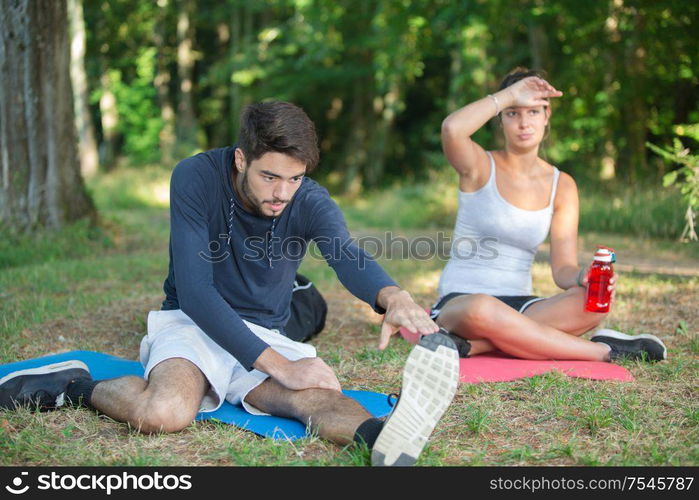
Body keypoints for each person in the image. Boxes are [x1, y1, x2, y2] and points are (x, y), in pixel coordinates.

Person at [0, 101, 459, 467]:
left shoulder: (310, 200)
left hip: (263, 332)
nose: (282, 192)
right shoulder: (196, 178)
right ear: (242, 159)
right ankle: (77, 386)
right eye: (270, 176)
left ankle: (383, 438)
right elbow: (197, 293)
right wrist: (281, 366)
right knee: (163, 414)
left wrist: (392, 296)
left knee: (316, 400)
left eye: (295, 179)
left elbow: (346, 254)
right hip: (192, 321)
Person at [433, 68, 666, 363]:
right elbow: (452, 129)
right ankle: (605, 351)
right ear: (501, 118)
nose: (524, 122)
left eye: (533, 111)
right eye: (513, 113)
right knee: (483, 308)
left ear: (547, 116)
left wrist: (584, 276)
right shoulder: (479, 166)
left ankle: (475, 346)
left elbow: (562, 270)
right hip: (462, 301)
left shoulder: (562, 185)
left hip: (524, 307)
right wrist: (508, 95)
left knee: (594, 303)